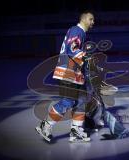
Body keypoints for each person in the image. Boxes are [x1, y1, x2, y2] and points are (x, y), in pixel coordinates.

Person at [35, 11, 95, 142]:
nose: (93, 22)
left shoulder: (81, 33)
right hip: (67, 72)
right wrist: (85, 56)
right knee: (68, 101)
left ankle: (76, 131)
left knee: (80, 102)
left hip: (76, 74)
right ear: (83, 19)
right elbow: (71, 49)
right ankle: (45, 125)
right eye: (91, 19)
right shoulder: (76, 30)